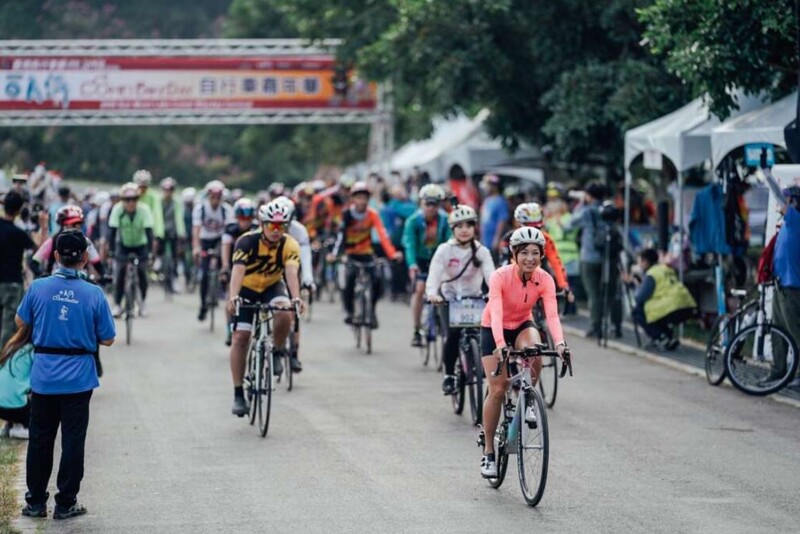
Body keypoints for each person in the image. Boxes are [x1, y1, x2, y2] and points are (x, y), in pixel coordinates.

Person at [16, 229, 116, 520]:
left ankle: (35, 502)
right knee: (73, 440)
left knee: (40, 439)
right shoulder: (94, 294)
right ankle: (66, 502)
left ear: (56, 256)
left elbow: (21, 319)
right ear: (85, 258)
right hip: (79, 378)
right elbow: (108, 338)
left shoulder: (37, 287)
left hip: (44, 376)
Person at [479, 226, 567, 478]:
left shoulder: (544, 279)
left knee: (535, 349)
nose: (530, 258)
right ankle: (488, 453)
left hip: (521, 325)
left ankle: (528, 395)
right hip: (493, 328)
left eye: (536, 253)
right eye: (524, 252)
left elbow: (551, 315)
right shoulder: (500, 276)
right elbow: (495, 310)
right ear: (514, 254)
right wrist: (499, 342)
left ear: (541, 255)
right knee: (497, 389)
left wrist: (560, 344)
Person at [226, 200, 306, 416]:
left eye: (281, 226)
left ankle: (278, 351)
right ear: (262, 223)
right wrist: (233, 296)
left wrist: (296, 298)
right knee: (241, 336)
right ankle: (238, 393)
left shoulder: (290, 245)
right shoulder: (246, 242)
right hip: (246, 288)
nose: (276, 230)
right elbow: (237, 271)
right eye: (272, 225)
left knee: (285, 311)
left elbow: (291, 272)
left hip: (272, 286)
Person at [426, 205, 494, 394]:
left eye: (469, 225)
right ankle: (449, 375)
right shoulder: (444, 250)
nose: (464, 230)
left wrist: (495, 293)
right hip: (449, 299)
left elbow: (491, 275)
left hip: (475, 299)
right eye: (459, 226)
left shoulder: (482, 251)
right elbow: (434, 275)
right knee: (454, 335)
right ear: (452, 229)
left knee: (483, 334)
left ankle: (479, 365)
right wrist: (433, 293)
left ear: (475, 228)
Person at [328, 181, 402, 327]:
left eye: (364, 198)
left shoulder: (372, 214)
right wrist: (335, 254)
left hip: (367, 253)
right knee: (349, 281)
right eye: (359, 197)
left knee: (377, 281)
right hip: (351, 254)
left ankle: (372, 311)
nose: (362, 201)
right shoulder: (347, 214)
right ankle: (350, 312)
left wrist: (392, 254)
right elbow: (341, 237)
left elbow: (382, 235)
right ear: (353, 199)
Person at [564, 181, 622, 338]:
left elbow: (568, 225)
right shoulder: (610, 210)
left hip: (589, 257)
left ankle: (595, 326)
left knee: (594, 293)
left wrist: (581, 205)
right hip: (609, 256)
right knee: (611, 292)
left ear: (588, 195)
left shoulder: (587, 211)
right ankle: (616, 325)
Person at [403, 184, 451, 346]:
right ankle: (416, 329)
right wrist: (412, 265)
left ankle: (445, 325)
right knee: (420, 289)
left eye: (435, 204)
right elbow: (409, 245)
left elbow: (451, 242)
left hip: (439, 259)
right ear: (421, 203)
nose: (431, 208)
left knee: (445, 289)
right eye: (428, 204)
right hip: (420, 260)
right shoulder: (413, 221)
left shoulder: (445, 220)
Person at [1, 191, 47, 348]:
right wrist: (43, 227)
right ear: (19, 210)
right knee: (8, 328)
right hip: (12, 283)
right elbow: (40, 250)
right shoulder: (19, 233)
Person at [628, 248, 697, 350]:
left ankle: (661, 337)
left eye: (640, 262)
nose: (639, 265)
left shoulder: (651, 274)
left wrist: (634, 283)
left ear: (646, 262)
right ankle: (668, 337)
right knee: (655, 310)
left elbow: (639, 298)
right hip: (686, 304)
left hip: (671, 306)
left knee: (638, 311)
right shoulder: (665, 268)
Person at [108, 182, 154, 318]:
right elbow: (112, 232)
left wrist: (150, 252)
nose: (130, 203)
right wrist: (111, 252)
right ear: (122, 200)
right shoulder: (117, 210)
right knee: (121, 272)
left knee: (142, 272)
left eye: (134, 199)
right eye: (127, 200)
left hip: (141, 245)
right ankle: (117, 304)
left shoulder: (144, 210)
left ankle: (143, 302)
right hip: (124, 245)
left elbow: (149, 232)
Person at [193, 180, 234, 321]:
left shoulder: (227, 210)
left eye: (218, 198)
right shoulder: (200, 209)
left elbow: (230, 232)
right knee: (204, 274)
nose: (215, 201)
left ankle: (222, 290)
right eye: (213, 197)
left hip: (220, 240)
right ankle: (203, 304)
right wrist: (196, 247)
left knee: (224, 266)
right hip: (205, 239)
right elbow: (196, 229)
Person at [771, 186, 800, 387]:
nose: (781, 204)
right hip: (780, 285)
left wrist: (765, 171)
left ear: (793, 202)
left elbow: (776, 193)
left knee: (795, 334)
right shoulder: (788, 224)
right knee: (777, 330)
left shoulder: (796, 220)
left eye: (786, 200)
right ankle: (778, 370)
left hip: (792, 288)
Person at [221, 198, 259, 346]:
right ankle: (228, 327)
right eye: (242, 218)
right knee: (230, 296)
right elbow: (225, 247)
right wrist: (225, 266)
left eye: (248, 218)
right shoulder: (230, 228)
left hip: (251, 265)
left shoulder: (256, 228)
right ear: (237, 217)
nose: (245, 221)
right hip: (232, 262)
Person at [31, 205, 105, 279]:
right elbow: (34, 263)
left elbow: (97, 263)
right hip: (56, 284)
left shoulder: (86, 242)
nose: (77, 228)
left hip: (81, 282)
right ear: (63, 225)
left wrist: (104, 275)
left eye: (79, 224)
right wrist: (43, 275)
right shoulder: (53, 241)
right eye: (72, 225)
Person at [0, 324, 34, 439]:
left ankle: (9, 425)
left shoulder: (11, 346)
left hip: (1, 406)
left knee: (15, 385)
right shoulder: (33, 351)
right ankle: (19, 429)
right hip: (17, 408)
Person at [158, 177, 186, 293]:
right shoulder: (158, 201)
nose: (168, 192)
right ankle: (158, 264)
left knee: (175, 256)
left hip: (173, 231)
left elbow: (179, 218)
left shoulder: (177, 203)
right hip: (160, 230)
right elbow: (156, 216)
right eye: (166, 189)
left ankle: (174, 278)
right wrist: (158, 232)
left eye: (170, 190)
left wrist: (181, 232)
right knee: (158, 249)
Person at [132, 169, 165, 251]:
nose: (142, 188)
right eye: (140, 186)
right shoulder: (131, 195)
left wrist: (158, 234)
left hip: (147, 230)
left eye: (145, 186)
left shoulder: (153, 197)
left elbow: (157, 215)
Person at [479, 174, 509, 260]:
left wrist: (497, 239)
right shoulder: (486, 201)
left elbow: (502, 221)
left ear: (494, 186)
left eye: (487, 184)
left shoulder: (500, 201)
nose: (485, 187)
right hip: (485, 240)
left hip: (494, 241)